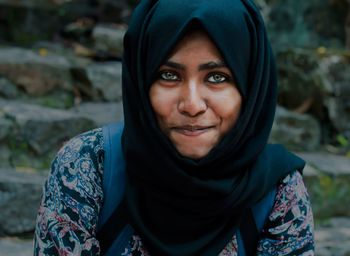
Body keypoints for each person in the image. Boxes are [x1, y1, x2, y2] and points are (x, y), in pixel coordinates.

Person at [34, 0, 314, 255]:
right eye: (168, 75)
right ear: (141, 82)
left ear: (251, 87)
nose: (192, 105)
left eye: (217, 77)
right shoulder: (87, 167)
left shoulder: (279, 193)